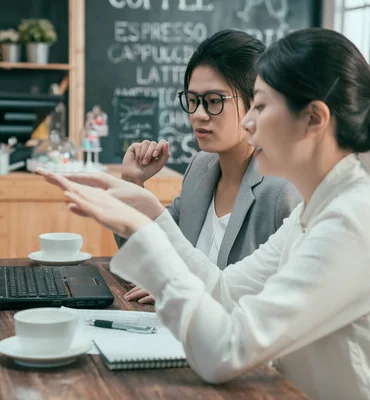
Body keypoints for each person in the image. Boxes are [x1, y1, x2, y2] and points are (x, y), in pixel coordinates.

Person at [38, 28, 370, 399]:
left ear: (313, 119)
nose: (248, 124)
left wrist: (145, 231)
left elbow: (225, 352)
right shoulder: (322, 208)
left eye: (260, 106)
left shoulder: (351, 222)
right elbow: (222, 291)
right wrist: (148, 212)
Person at [87, 29, 301, 304]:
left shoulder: (282, 190)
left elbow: (283, 301)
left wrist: (180, 288)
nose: (198, 114)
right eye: (192, 100)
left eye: (213, 102)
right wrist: (132, 182)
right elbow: (149, 256)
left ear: (255, 102)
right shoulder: (201, 168)